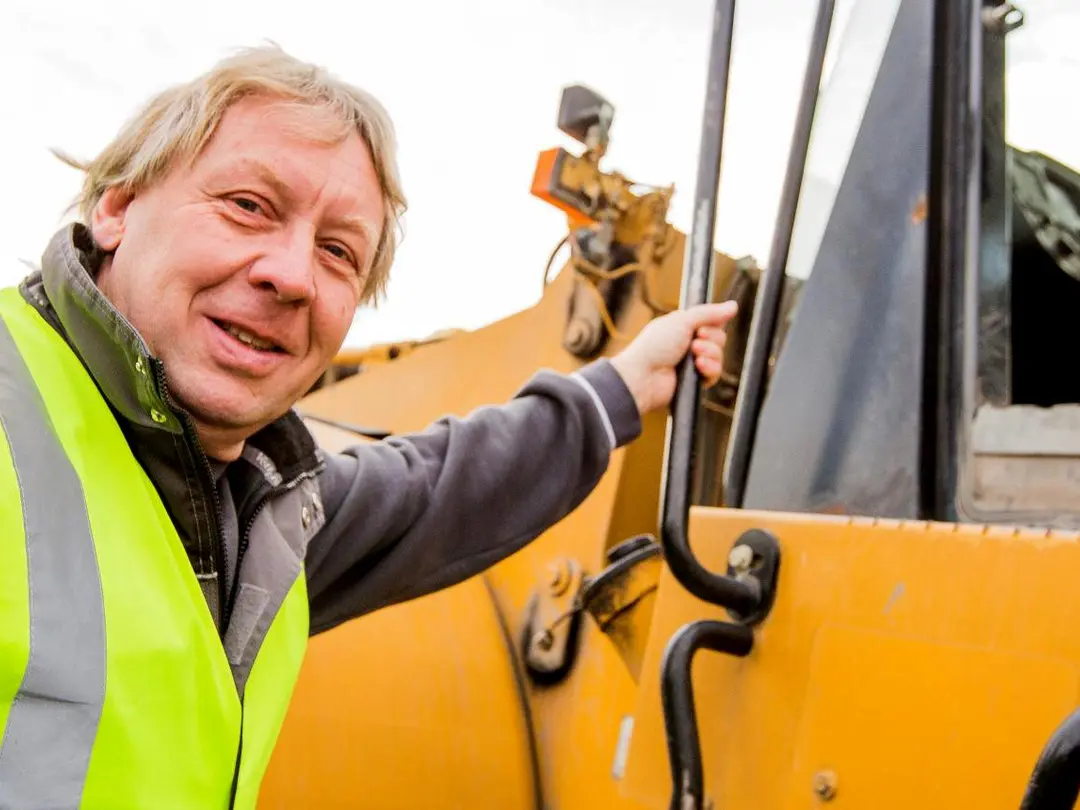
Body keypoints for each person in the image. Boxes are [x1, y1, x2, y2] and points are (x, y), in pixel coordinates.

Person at [0, 45, 738, 809]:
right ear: (117, 208)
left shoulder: (261, 518)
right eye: (248, 205)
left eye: (337, 252)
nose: (289, 275)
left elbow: (435, 493)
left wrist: (620, 386)